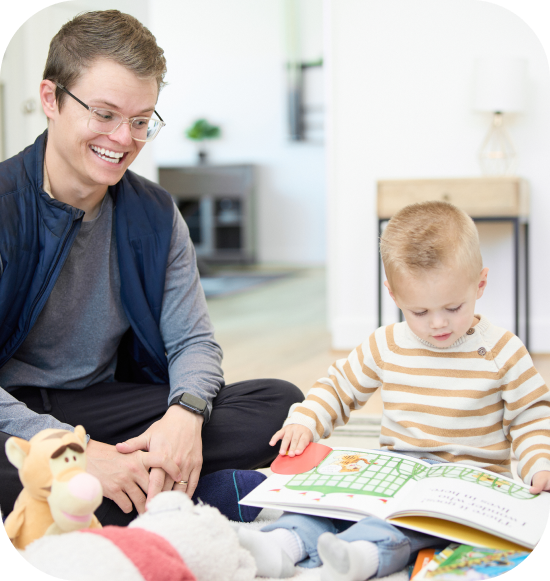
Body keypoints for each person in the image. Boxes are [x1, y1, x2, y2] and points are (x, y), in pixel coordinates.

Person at [0, 10, 303, 526]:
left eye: (141, 121)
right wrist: (75, 451)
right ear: (50, 99)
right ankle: (189, 497)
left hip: (107, 404)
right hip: (13, 417)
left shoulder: (157, 214)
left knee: (281, 406)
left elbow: (194, 343)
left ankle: (90, 501)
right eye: (104, 114)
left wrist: (183, 415)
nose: (123, 139)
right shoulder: (5, 204)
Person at [238, 201, 550, 580]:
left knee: (411, 525)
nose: (438, 324)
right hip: (398, 469)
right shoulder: (386, 344)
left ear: (480, 284)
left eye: (453, 307)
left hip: (463, 483)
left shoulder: (502, 351)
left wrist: (539, 464)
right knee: (330, 500)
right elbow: (338, 387)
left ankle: (362, 556)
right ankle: (284, 543)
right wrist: (306, 420)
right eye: (419, 312)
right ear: (394, 295)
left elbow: (532, 417)